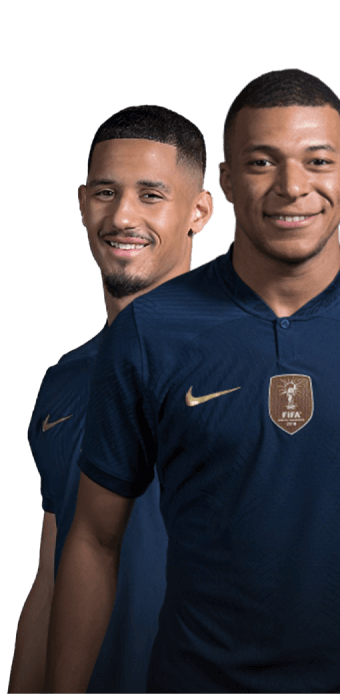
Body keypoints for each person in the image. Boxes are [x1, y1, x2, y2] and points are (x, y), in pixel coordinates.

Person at [46, 70, 340, 694]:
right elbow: (93, 540)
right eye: (261, 162)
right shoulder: (148, 332)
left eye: (316, 161)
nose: (292, 187)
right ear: (226, 181)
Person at [9, 104, 213, 693]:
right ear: (82, 203)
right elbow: (52, 577)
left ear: (199, 212)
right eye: (105, 192)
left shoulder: (258, 357)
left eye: (151, 195)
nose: (122, 216)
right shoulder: (63, 380)